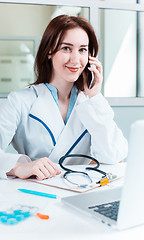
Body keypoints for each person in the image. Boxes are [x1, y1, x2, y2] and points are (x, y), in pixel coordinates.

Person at [0, 15, 128, 181]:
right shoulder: (19, 101)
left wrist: (95, 96)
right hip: (33, 193)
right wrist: (19, 167)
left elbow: (114, 156)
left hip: (79, 191)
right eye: (66, 48)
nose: (75, 60)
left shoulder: (91, 104)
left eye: (82, 50)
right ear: (49, 52)